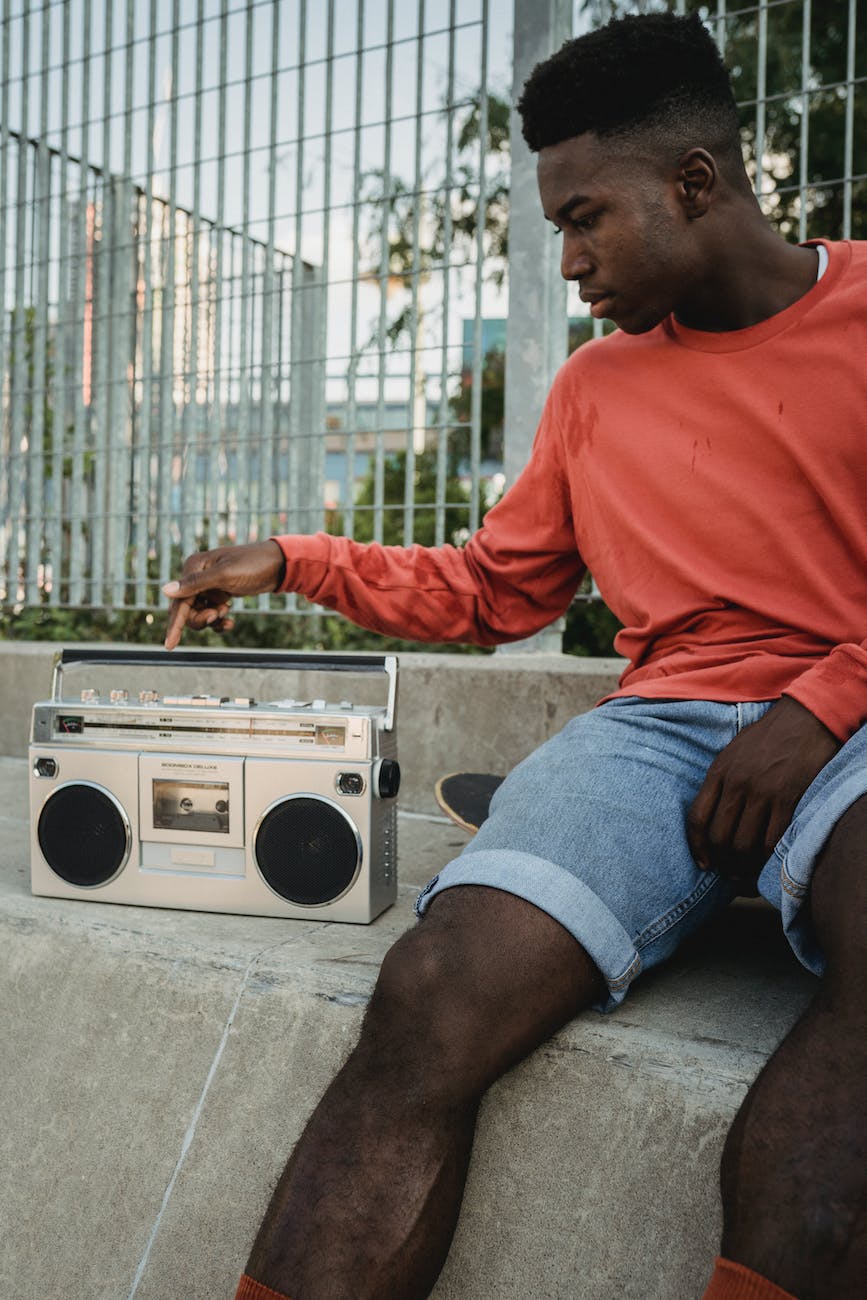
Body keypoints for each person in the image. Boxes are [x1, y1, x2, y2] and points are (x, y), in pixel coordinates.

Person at [163, 12, 867, 1299]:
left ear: (692, 183)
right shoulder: (593, 391)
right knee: (430, 991)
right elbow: (495, 586)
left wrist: (823, 706)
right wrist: (295, 559)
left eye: (584, 217)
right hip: (663, 732)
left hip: (856, 709)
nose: (570, 261)